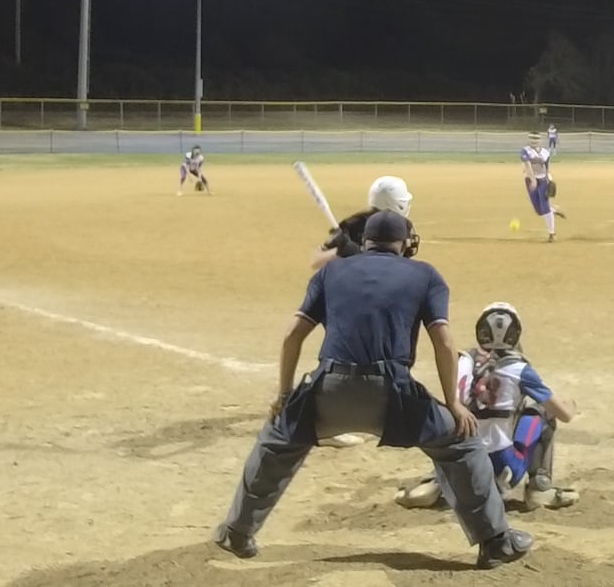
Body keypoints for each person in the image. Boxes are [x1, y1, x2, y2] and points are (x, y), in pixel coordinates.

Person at [211, 210, 533, 569]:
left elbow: (292, 336)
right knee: (460, 442)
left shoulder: (330, 272)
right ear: (404, 244)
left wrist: (285, 396)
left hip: (328, 391)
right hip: (393, 396)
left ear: (364, 242)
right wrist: (454, 404)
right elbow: (443, 342)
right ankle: (495, 541)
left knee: (276, 442)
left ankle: (236, 531)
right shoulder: (425, 274)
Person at [396, 302, 579, 513]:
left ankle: (435, 481)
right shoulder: (520, 369)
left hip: (462, 462)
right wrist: (571, 406)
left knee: (453, 425)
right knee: (541, 411)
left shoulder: (461, 361)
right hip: (503, 464)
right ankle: (539, 488)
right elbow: (564, 415)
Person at [312, 176, 414, 270]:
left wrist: (356, 254)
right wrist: (340, 252)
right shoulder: (353, 226)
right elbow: (316, 262)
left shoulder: (403, 226)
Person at [521, 133, 563, 242]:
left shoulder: (545, 152)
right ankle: (552, 210)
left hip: (543, 180)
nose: (534, 141)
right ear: (528, 139)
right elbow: (528, 166)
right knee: (539, 211)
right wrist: (533, 180)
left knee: (544, 206)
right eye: (532, 138)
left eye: (536, 139)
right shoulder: (525, 151)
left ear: (540, 140)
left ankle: (552, 233)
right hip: (530, 180)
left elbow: (547, 167)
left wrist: (550, 179)